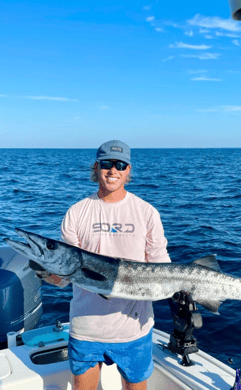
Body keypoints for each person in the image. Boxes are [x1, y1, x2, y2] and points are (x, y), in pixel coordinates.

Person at [60, 140, 171, 390]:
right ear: (96, 167)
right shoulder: (76, 212)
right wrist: (47, 272)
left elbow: (161, 264)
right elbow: (63, 277)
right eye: (107, 164)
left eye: (120, 164)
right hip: (86, 328)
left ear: (128, 170)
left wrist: (183, 287)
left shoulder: (146, 212)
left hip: (134, 329)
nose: (113, 170)